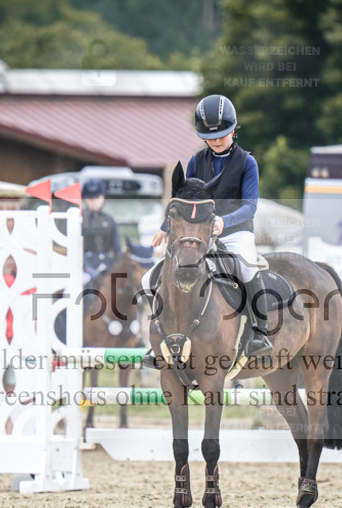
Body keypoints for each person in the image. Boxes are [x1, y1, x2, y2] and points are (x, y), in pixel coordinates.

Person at [148, 93, 272, 358]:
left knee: (247, 268)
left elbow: (250, 205)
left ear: (234, 130)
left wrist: (224, 221)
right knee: (153, 276)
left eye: (222, 135)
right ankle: (158, 334)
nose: (215, 141)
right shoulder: (196, 162)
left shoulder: (247, 163)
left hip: (237, 232)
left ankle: (259, 333)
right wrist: (164, 227)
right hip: (197, 235)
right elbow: (183, 203)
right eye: (210, 137)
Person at [81, 178, 120, 284]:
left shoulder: (110, 220)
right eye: (90, 198)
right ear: (85, 199)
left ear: (103, 198)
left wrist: (113, 268)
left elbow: (117, 250)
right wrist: (86, 268)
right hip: (84, 267)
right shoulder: (79, 220)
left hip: (107, 265)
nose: (94, 201)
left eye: (97, 197)